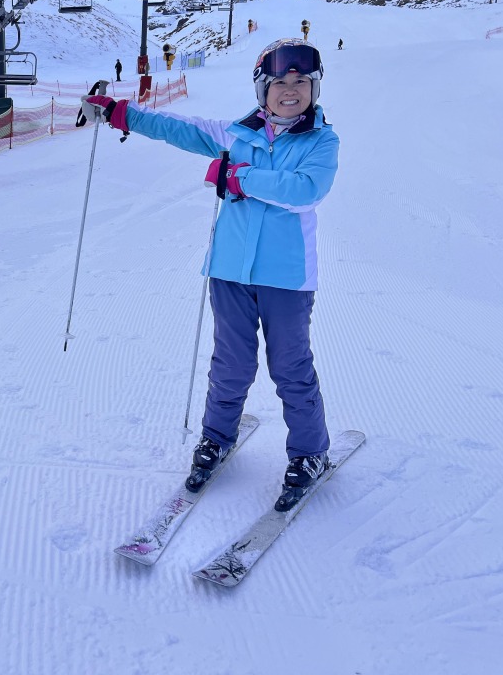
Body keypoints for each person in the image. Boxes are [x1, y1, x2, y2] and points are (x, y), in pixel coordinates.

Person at [81, 38, 338, 512]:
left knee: (291, 367)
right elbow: (178, 128)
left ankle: (309, 453)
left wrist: (238, 178)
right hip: (229, 272)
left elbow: (305, 189)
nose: (290, 90)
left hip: (286, 278)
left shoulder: (321, 141)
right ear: (263, 88)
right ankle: (217, 438)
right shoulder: (236, 133)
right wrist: (122, 114)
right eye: (280, 81)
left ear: (314, 88)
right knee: (230, 364)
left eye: (301, 82)